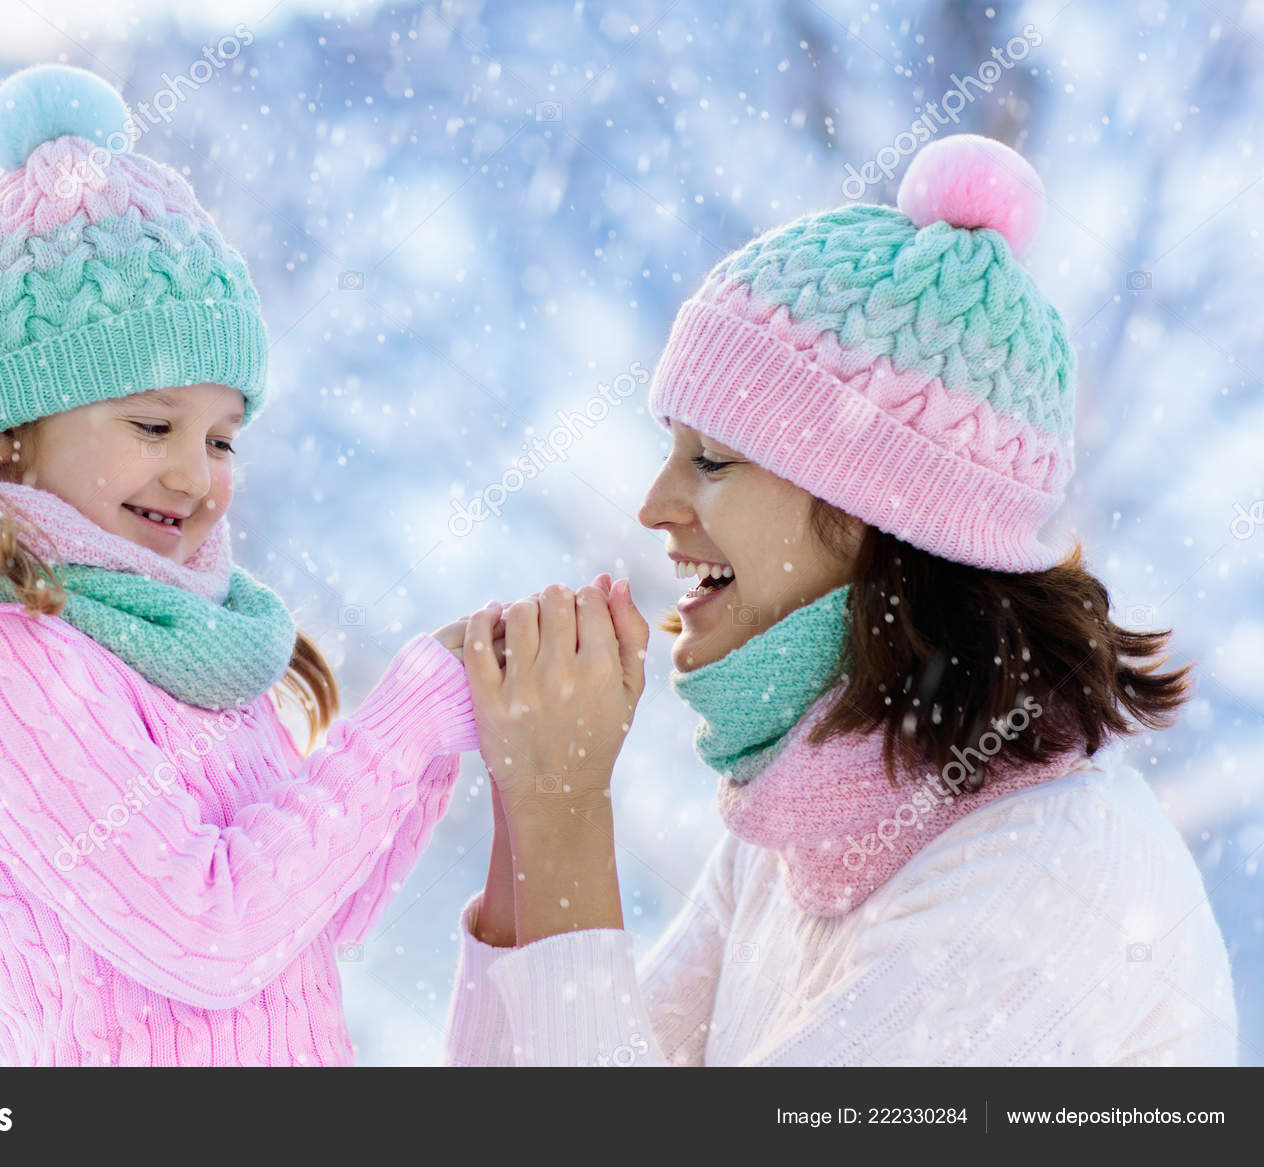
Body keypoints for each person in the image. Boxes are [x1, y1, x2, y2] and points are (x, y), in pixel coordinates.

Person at [441, 135, 1238, 1066]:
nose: (654, 505)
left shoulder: (1047, 873)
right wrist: (529, 810)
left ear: (877, 514)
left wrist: (564, 805)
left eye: (712, 460)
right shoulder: (803, 823)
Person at [0, 64, 493, 1065]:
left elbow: (313, 919)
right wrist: (400, 724)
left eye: (221, 438)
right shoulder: (5, 662)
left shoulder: (175, 639)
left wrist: (437, 734)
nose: (195, 476)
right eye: (153, 425)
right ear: (8, 433)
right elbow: (211, 935)